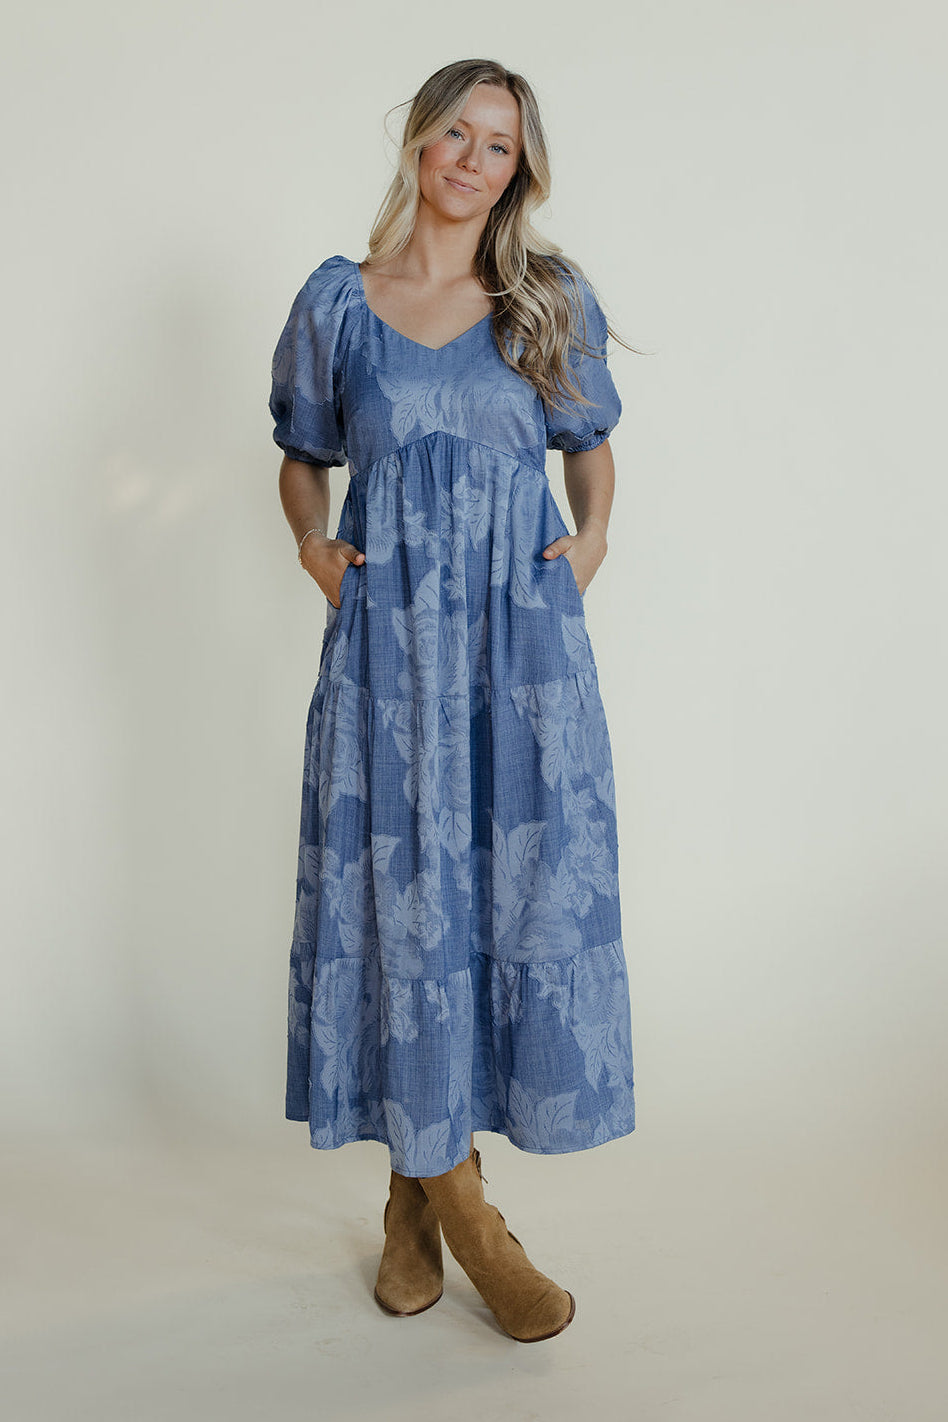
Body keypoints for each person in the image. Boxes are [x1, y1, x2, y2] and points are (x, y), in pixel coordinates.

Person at [268, 58, 637, 1344]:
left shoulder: (543, 299)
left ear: (518, 172)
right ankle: (467, 1220)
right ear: (419, 140)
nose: (475, 160)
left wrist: (584, 552)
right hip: (383, 654)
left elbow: (593, 461)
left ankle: (416, 1205)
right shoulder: (339, 304)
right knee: (399, 905)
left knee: (491, 898)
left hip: (517, 655)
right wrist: (316, 550)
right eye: (458, 133)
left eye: (501, 147)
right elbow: (301, 461)